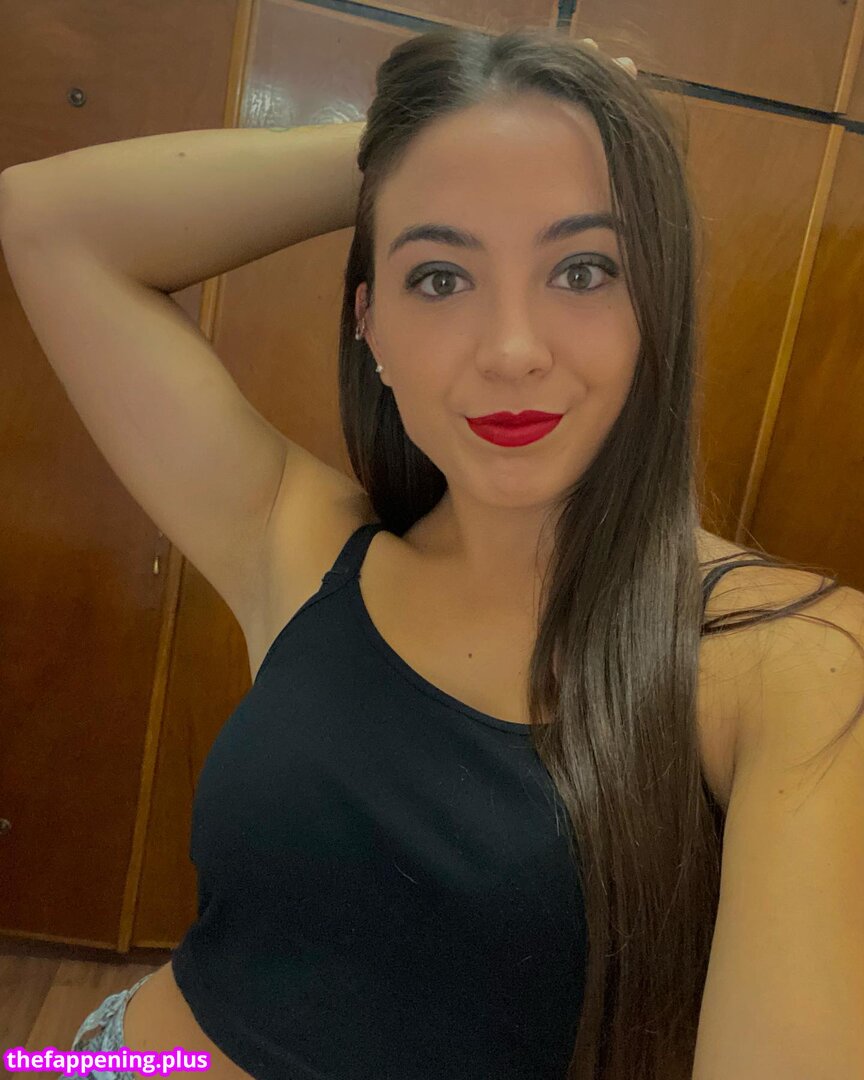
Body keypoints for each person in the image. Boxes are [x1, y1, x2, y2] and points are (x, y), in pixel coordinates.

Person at [2, 26, 855, 1080]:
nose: (511, 350)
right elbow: (46, 219)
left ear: (656, 309)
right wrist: (413, 145)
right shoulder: (300, 539)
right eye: (441, 277)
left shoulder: (791, 659)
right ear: (371, 325)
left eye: (583, 269)